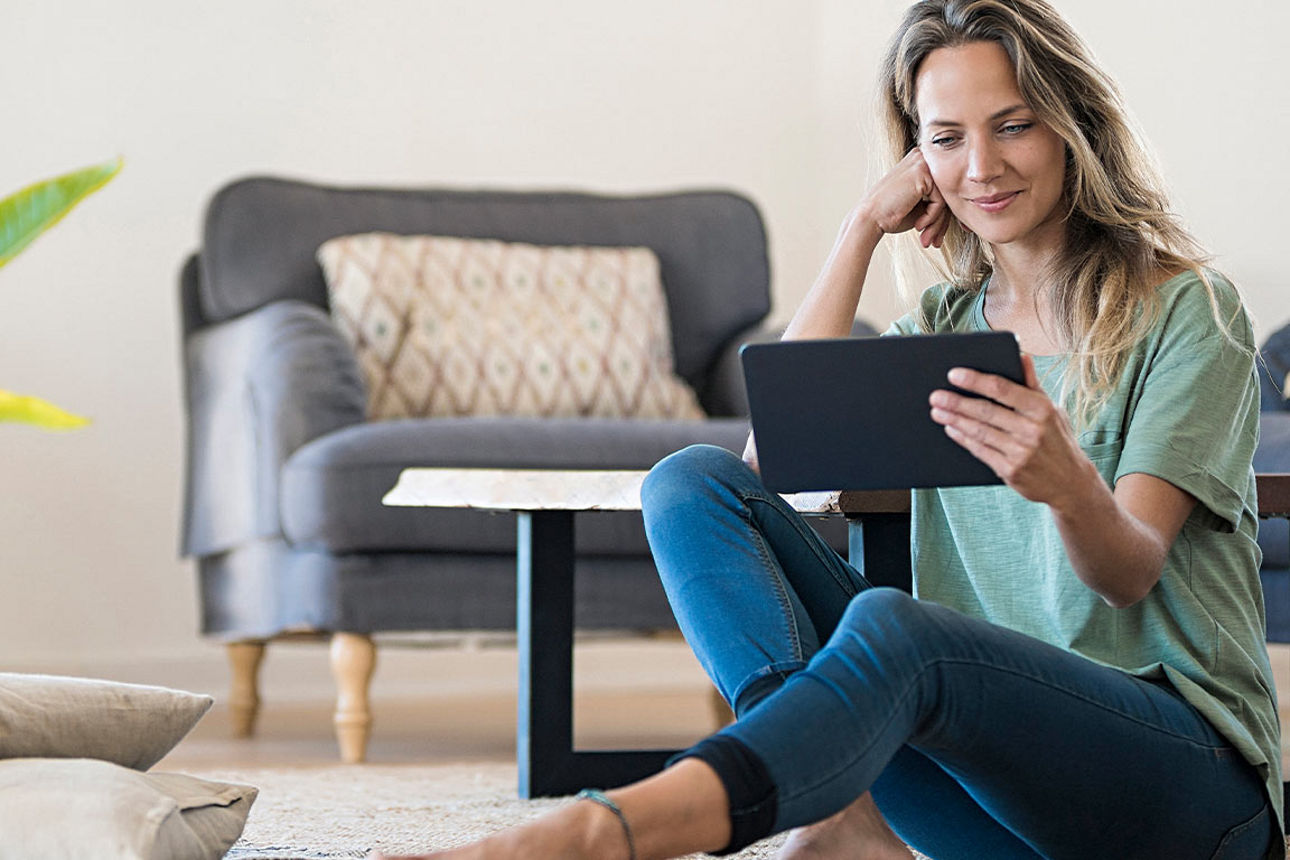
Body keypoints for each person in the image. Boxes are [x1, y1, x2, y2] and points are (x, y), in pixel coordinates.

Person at [375, 0, 1284, 857]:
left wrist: (1065, 483)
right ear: (915, 160)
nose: (982, 167)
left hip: (1184, 795)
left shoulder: (1185, 310)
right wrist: (858, 229)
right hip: (995, 809)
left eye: (1014, 124)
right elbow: (769, 467)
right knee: (692, 480)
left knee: (899, 628)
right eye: (945, 138)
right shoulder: (939, 325)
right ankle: (835, 804)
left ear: (1070, 124)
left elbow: (1127, 575)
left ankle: (604, 833)